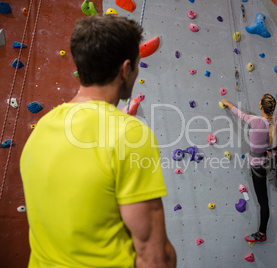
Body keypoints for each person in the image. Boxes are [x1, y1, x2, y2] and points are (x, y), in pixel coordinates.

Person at [20, 15, 176, 267]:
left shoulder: (42, 128)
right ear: (126, 69)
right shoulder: (129, 134)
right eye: (137, 65)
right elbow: (154, 255)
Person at [221, 94, 277, 243]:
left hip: (257, 166)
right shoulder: (276, 122)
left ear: (260, 106)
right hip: (269, 156)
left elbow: (238, 114)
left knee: (263, 202)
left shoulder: (254, 121)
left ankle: (262, 233)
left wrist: (227, 102)